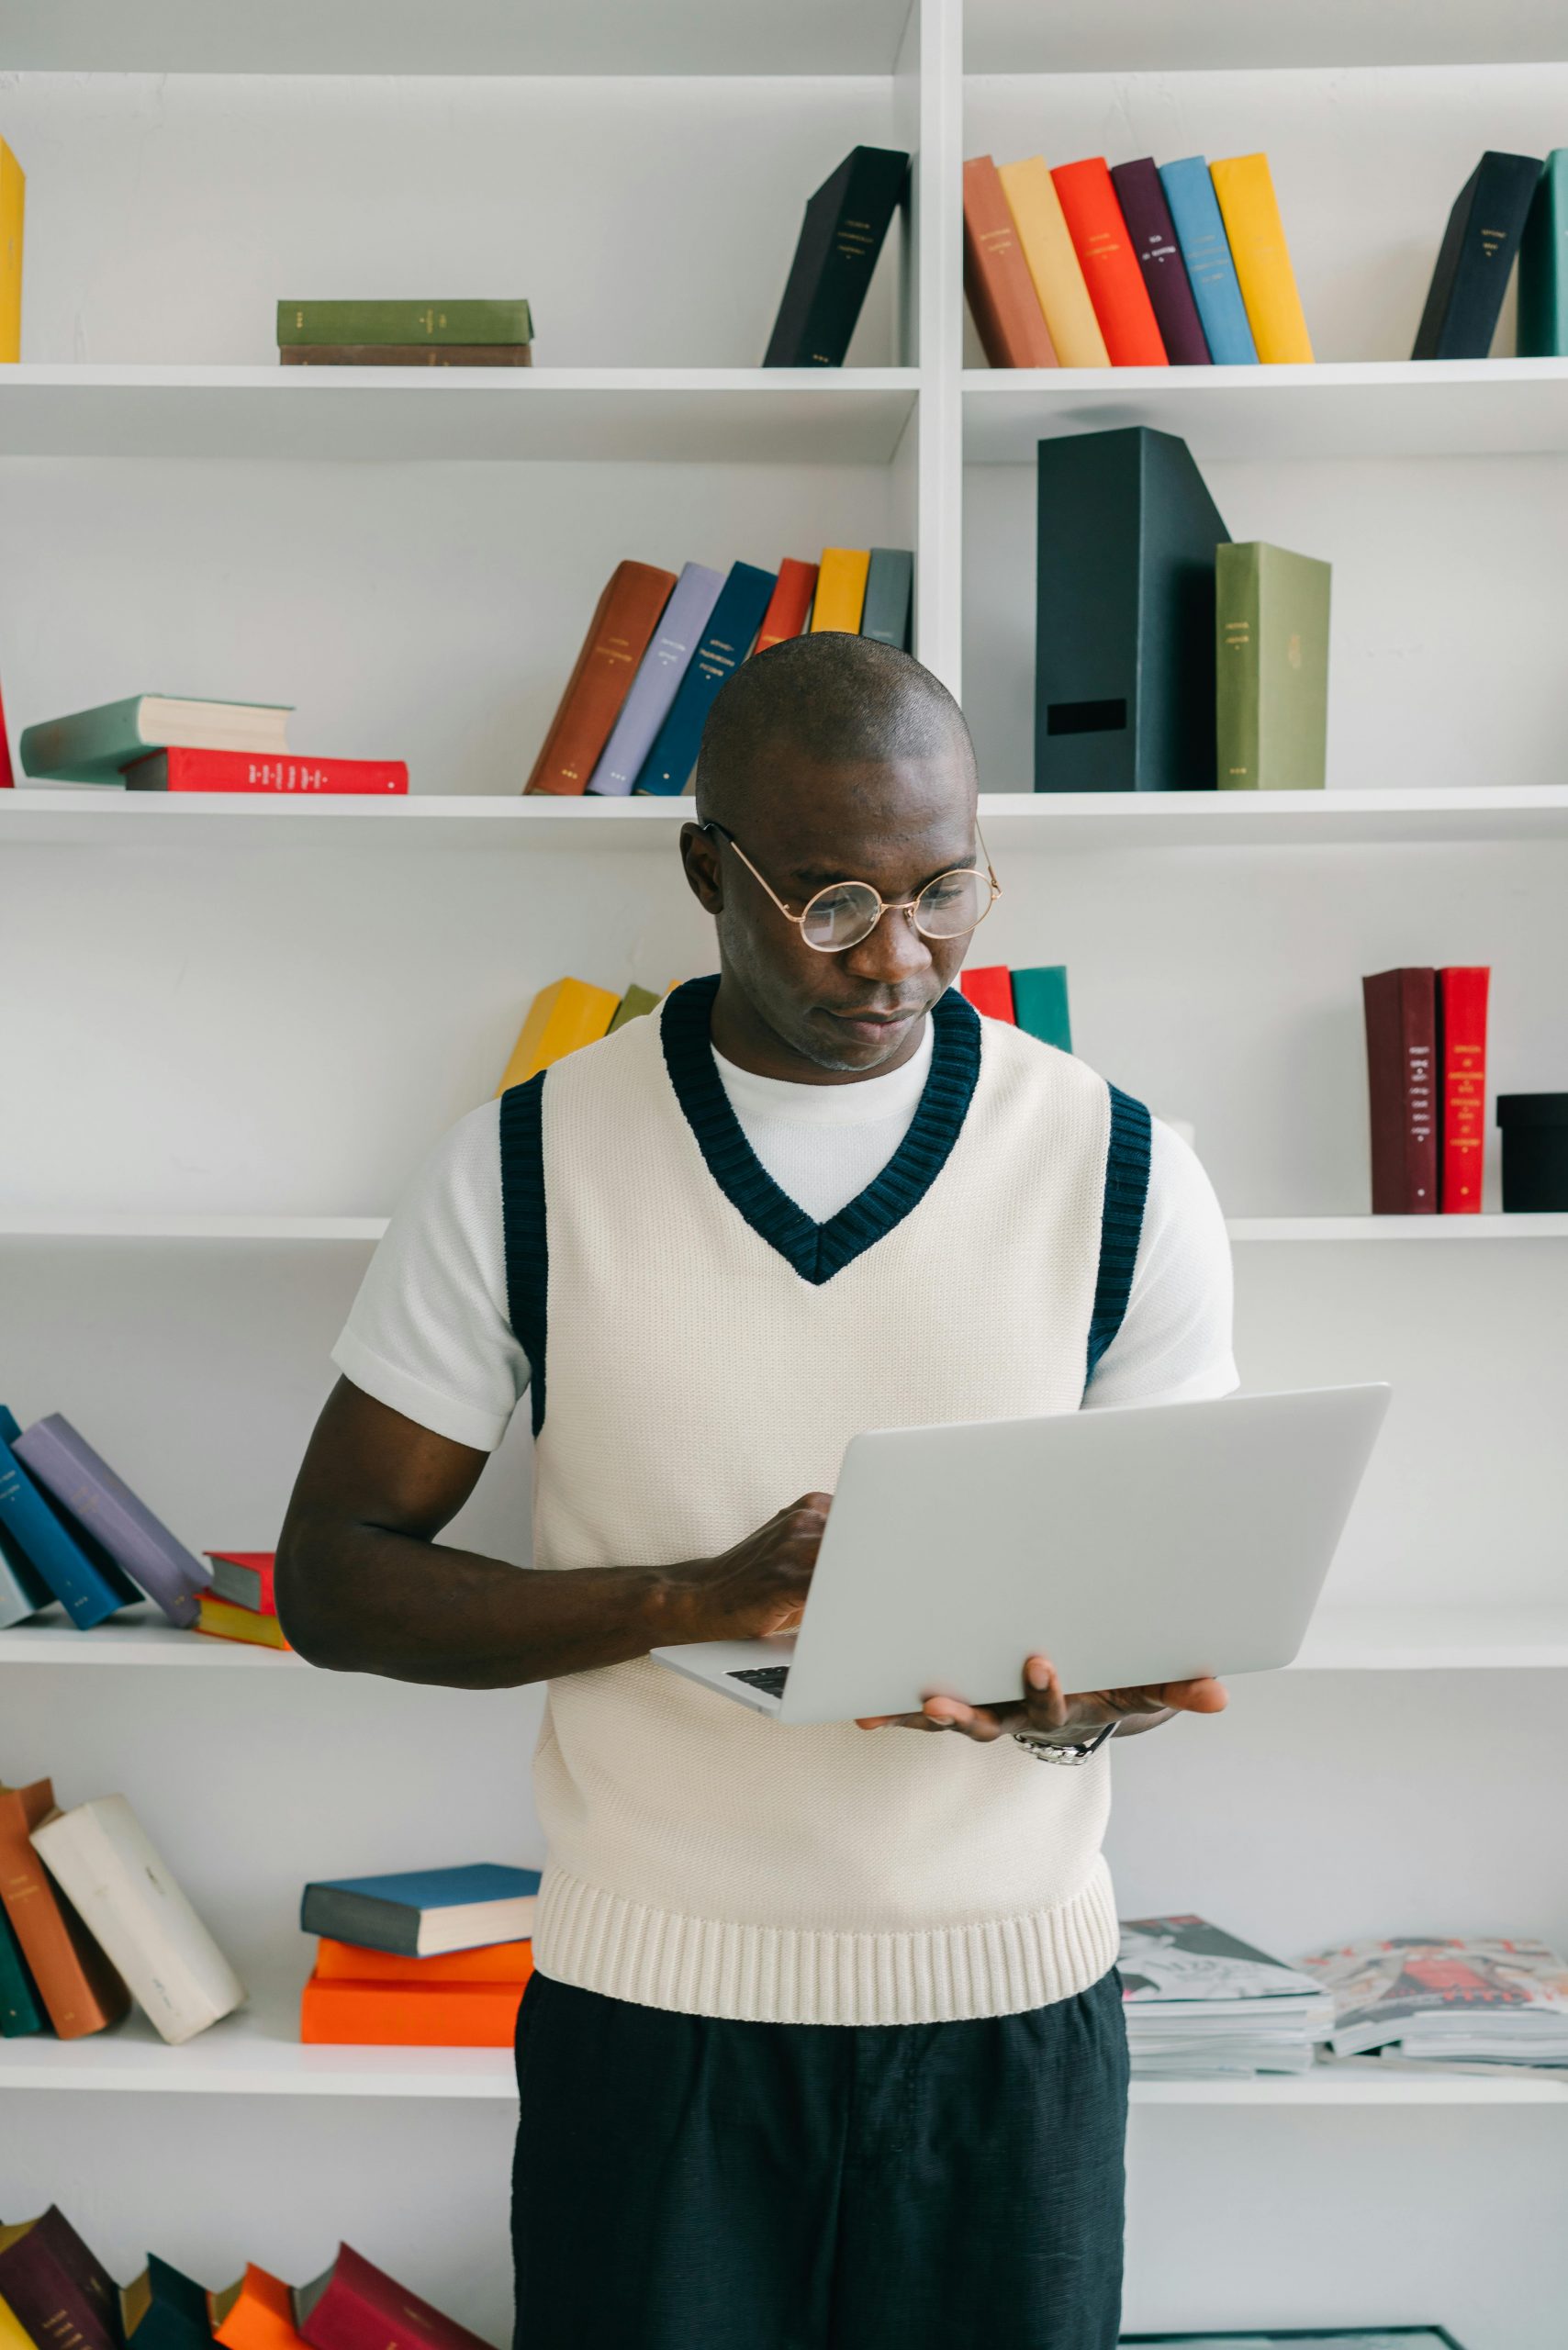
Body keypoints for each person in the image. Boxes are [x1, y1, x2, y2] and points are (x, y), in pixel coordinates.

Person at [276, 632, 1238, 2350]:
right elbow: (336, 1579)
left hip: (1009, 2025)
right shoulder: (525, 1162)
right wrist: (689, 1598)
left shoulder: (1123, 1169)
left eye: (946, 891)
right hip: (655, 2027)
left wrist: (1087, 1706)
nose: (899, 955)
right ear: (706, 873)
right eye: (832, 902)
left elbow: (1163, 1596)